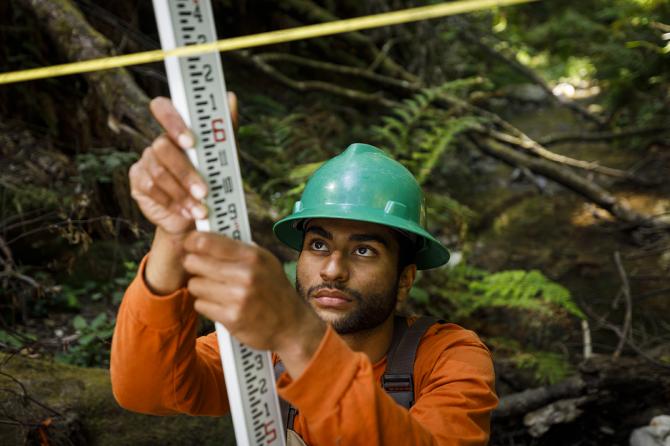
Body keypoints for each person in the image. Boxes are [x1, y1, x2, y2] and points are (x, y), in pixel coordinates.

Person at [111, 94, 498, 445]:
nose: (332, 269)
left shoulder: (449, 357)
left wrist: (298, 338)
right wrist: (174, 231)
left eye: (364, 250)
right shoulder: (259, 349)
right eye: (318, 245)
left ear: (405, 280)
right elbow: (147, 390)